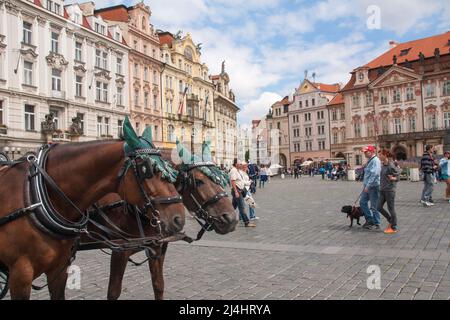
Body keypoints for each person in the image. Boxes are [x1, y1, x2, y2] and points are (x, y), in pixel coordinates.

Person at [377, 150, 402, 234]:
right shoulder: (383, 165)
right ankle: (391, 220)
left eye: (380, 155)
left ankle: (393, 226)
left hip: (390, 190)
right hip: (382, 190)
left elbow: (398, 175)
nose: (379, 156)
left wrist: (393, 178)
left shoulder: (391, 165)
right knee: (378, 207)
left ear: (385, 155)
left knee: (391, 208)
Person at [359, 145, 381, 230]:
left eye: (366, 152)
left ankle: (377, 223)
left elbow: (375, 174)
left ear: (371, 152)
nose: (364, 153)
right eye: (364, 152)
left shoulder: (375, 161)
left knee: (374, 205)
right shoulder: (370, 160)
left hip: (373, 186)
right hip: (368, 186)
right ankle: (369, 219)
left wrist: (368, 186)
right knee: (362, 202)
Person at [229, 159, 256, 227]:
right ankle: (246, 222)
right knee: (242, 207)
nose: (241, 165)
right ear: (236, 164)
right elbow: (233, 182)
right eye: (240, 164)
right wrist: (235, 192)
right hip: (237, 191)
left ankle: (225, 217)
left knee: (232, 207)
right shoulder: (233, 170)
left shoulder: (238, 171)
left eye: (241, 164)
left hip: (240, 190)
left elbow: (241, 181)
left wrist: (249, 182)